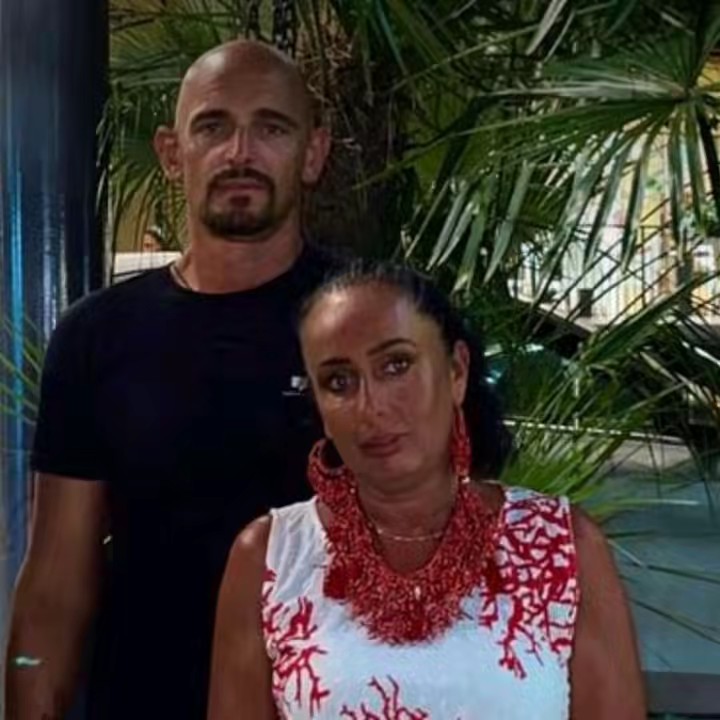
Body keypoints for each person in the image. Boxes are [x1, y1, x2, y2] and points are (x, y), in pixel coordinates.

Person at [5, 39, 339, 720]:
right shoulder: (97, 336)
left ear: (313, 153)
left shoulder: (374, 325)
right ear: (171, 152)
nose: (240, 153)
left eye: (271, 128)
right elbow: (55, 592)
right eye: (213, 127)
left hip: (328, 700)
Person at [207, 261, 647, 719]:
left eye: (396, 365)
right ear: (319, 407)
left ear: (456, 371)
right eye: (339, 382)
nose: (371, 406)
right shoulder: (270, 558)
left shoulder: (561, 546)